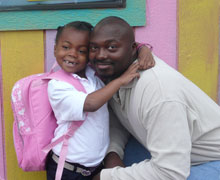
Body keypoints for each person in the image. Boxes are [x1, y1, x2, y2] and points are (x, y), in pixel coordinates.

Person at [89, 16, 220, 180]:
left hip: (211, 160)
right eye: (93, 48)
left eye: (112, 47)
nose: (100, 55)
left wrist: (105, 177)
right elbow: (119, 119)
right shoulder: (114, 74)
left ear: (133, 49)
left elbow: (171, 172)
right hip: (176, 154)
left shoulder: (159, 93)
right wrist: (113, 154)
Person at [46, 21, 153, 180]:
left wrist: (142, 49)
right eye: (66, 47)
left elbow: (122, 45)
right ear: (55, 49)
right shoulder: (58, 86)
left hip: (95, 167)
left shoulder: (90, 73)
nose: (73, 54)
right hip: (68, 169)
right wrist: (121, 81)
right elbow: (91, 104)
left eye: (82, 50)